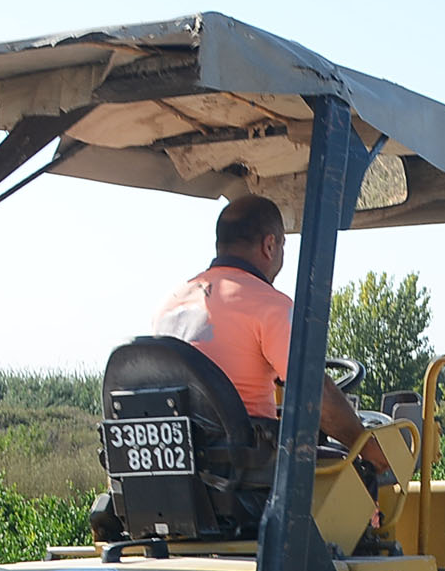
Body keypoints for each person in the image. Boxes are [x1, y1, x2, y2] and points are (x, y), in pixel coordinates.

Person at [152, 195, 382, 467]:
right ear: (270, 245)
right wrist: (369, 449)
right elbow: (317, 393)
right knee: (359, 472)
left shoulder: (168, 305)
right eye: (282, 245)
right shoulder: (270, 305)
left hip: (180, 468)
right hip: (245, 471)